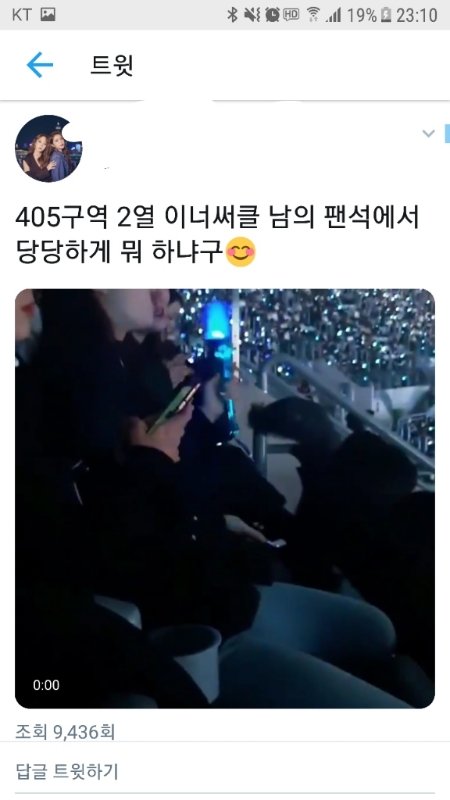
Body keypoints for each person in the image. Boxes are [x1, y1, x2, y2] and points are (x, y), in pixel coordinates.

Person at [15, 290, 208, 709]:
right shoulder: (69, 384)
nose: (162, 295)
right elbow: (91, 549)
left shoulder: (103, 370)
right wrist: (153, 460)